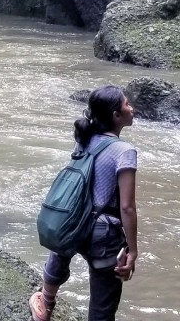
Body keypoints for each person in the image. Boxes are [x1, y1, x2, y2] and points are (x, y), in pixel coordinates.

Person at [29, 85, 138, 321]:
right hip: (104, 233)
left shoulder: (84, 140)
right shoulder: (125, 151)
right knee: (102, 306)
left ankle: (45, 303)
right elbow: (127, 207)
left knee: (62, 250)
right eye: (127, 104)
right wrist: (132, 250)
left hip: (73, 220)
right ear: (116, 116)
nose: (133, 108)